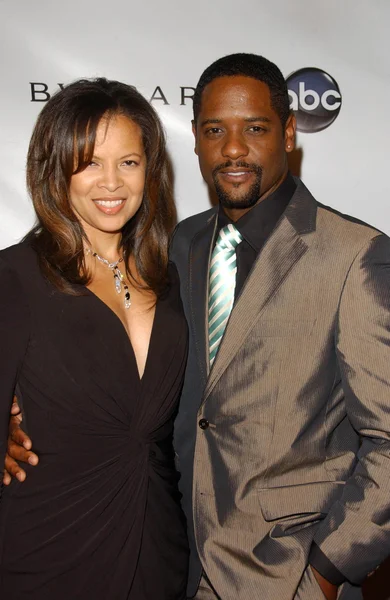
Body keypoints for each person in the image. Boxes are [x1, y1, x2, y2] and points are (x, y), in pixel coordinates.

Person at [5, 54, 390, 600]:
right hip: (169, 560)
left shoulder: (355, 257)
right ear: (194, 140)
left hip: (287, 575)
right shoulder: (175, 248)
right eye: (215, 130)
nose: (233, 149)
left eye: (254, 128)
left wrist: (328, 570)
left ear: (287, 133)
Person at [0, 78, 189, 599]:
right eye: (89, 162)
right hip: (47, 553)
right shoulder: (14, 279)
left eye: (128, 162)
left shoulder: (172, 281)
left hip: (159, 553)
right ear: (54, 168)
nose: (111, 183)